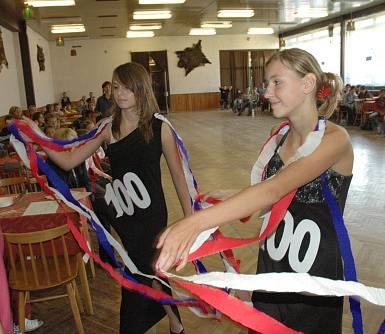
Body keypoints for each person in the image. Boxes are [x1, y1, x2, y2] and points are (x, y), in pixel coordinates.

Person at [156, 48, 353, 334]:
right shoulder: (279, 138)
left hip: (313, 278)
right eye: (267, 83)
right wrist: (234, 196)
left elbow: (275, 188)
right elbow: (277, 198)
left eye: (277, 82)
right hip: (271, 266)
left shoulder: (335, 139)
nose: (267, 92)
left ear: (307, 83)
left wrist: (193, 223)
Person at [22, 62, 189, 334]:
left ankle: (140, 326)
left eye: (126, 86)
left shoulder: (160, 127)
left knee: (141, 272)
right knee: (152, 269)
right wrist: (39, 136)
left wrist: (190, 222)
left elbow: (178, 177)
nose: (119, 92)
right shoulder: (107, 128)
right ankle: (175, 321)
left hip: (152, 215)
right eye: (116, 85)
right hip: (124, 213)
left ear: (140, 88)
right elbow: (68, 160)